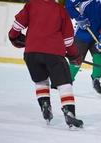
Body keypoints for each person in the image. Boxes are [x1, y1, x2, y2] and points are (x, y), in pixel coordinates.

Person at [8, 0, 83, 128]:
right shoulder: (60, 10)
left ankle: (45, 105)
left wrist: (14, 37)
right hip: (54, 54)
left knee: (41, 80)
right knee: (64, 83)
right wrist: (74, 56)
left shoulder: (31, 4)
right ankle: (69, 112)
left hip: (31, 54)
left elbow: (16, 26)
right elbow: (68, 40)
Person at [65, 0, 101, 94]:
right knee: (76, 59)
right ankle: (67, 81)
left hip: (97, 35)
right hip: (81, 34)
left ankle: (96, 80)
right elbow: (69, 5)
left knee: (99, 56)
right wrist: (78, 17)